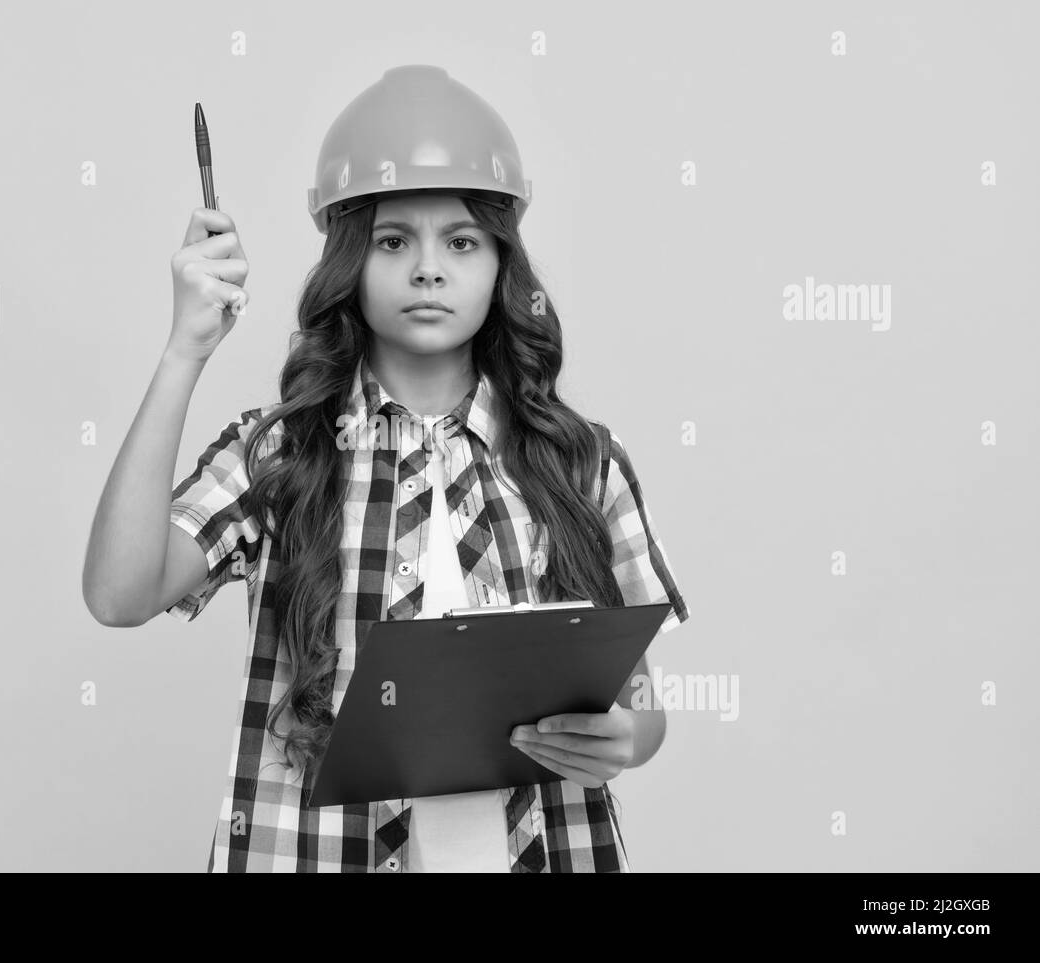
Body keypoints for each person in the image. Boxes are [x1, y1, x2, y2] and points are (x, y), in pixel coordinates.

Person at [82, 65, 690, 872]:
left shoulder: (580, 461)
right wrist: (183, 351)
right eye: (393, 240)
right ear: (347, 262)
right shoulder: (284, 453)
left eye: (462, 240)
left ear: (501, 264)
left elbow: (640, 701)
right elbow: (119, 594)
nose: (428, 268)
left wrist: (627, 736)